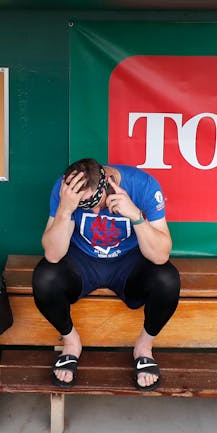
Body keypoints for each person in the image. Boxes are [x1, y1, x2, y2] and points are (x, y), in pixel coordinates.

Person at [32, 157, 179, 391]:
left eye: (94, 202)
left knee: (167, 279)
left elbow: (161, 256)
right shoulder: (65, 189)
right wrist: (64, 210)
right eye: (84, 206)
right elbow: (53, 254)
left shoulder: (143, 185)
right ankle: (71, 343)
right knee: (45, 277)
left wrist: (136, 216)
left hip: (129, 261)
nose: (94, 211)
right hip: (83, 259)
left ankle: (144, 347)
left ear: (108, 184)